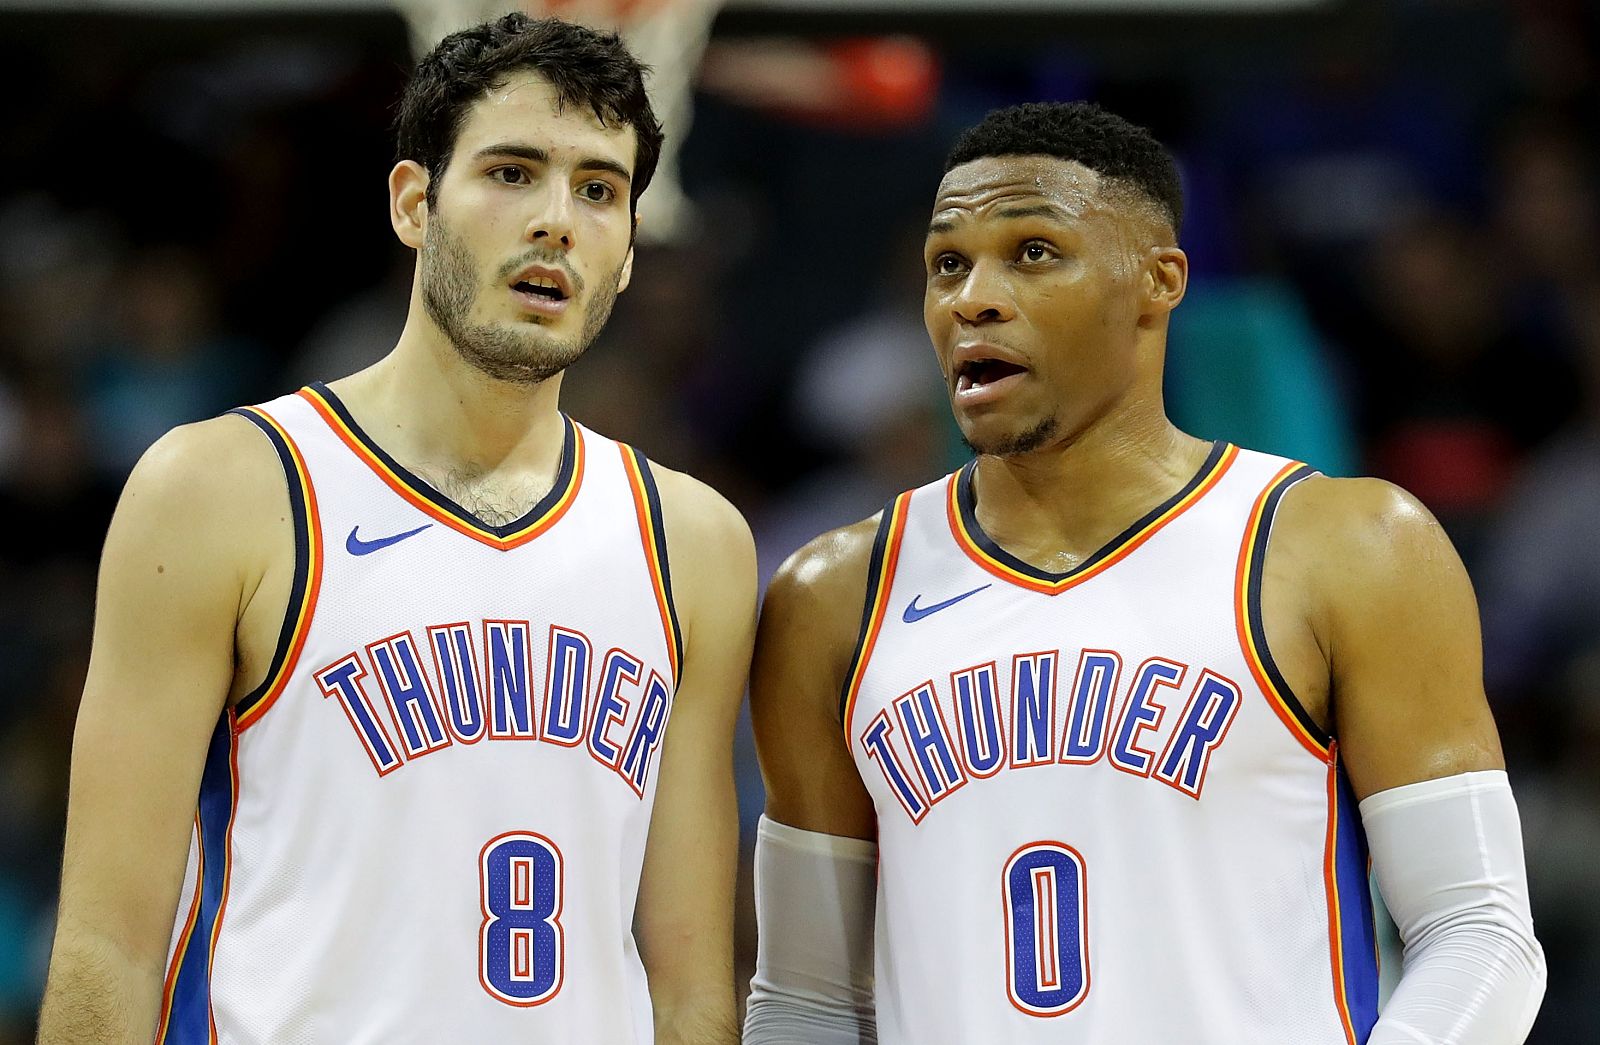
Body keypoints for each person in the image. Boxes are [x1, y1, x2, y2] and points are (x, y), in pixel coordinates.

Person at [743, 101, 1546, 1044]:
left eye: (1033, 252)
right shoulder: (833, 594)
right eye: (947, 264)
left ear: (1158, 282)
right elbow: (807, 1002)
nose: (973, 298)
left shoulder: (1343, 544)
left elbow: (1479, 929)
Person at [37, 14, 753, 1044]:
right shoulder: (221, 489)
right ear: (414, 203)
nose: (556, 220)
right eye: (512, 172)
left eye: (598, 189)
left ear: (631, 250)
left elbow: (689, 987)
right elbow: (107, 943)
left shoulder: (693, 541)